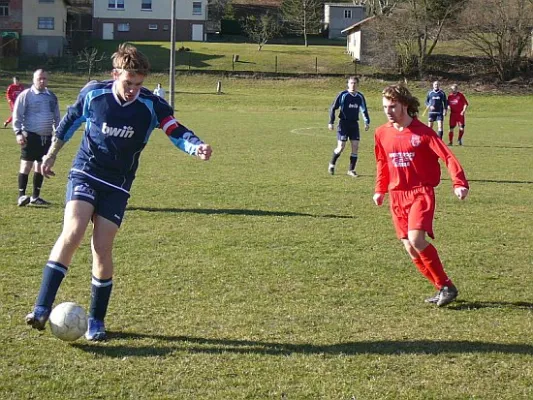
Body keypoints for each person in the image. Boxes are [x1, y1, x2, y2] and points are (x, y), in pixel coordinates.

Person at [25, 43, 213, 341]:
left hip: (118, 184)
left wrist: (196, 146)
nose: (133, 90)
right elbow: (69, 122)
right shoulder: (94, 94)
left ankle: (96, 321)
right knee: (73, 231)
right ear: (115, 74)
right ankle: (41, 308)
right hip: (86, 171)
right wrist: (50, 155)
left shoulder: (151, 104)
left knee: (102, 247)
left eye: (139, 84)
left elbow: (175, 129)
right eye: (128, 83)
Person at [373, 84, 469, 307]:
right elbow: (381, 163)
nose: (388, 110)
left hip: (420, 193)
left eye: (393, 106)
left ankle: (445, 285)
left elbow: (447, 157)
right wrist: (379, 189)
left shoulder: (423, 132)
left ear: (405, 105)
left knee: (416, 239)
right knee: (408, 246)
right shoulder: (381, 133)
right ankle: (444, 287)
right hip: (396, 195)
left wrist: (459, 183)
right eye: (385, 106)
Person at [13, 69, 60, 207]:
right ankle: (21, 196)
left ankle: (35, 197)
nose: (42, 81)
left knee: (40, 167)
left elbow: (56, 117)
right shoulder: (26, 95)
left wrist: (57, 134)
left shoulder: (51, 96)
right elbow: (17, 114)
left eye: (45, 78)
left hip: (46, 137)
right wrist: (18, 133)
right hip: (30, 135)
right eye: (39, 78)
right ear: (34, 79)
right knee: (26, 165)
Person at [327, 76, 370, 177]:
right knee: (341, 147)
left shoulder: (360, 96)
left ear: (358, 84)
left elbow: (364, 109)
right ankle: (332, 164)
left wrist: (367, 121)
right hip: (343, 123)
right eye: (351, 83)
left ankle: (351, 170)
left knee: (355, 147)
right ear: (348, 84)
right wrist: (331, 122)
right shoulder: (343, 95)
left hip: (354, 124)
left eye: (355, 83)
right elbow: (333, 108)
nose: (353, 85)